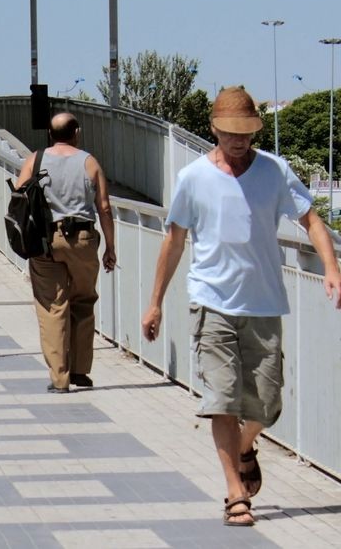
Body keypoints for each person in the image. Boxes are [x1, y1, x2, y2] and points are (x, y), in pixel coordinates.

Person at [142, 86, 340, 527]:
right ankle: (235, 495)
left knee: (267, 404)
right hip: (211, 302)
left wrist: (331, 268)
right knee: (222, 399)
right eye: (230, 132)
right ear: (213, 129)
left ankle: (247, 445)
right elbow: (174, 240)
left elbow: (310, 219)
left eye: (246, 132)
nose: (238, 140)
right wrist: (154, 303)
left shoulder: (275, 171)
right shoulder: (193, 177)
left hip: (265, 304)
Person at [13, 112, 116, 394]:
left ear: (49, 133)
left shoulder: (36, 159)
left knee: (52, 307)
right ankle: (81, 370)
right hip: (82, 239)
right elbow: (104, 208)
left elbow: (19, 196)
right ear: (77, 133)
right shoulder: (89, 162)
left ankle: (59, 378)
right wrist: (110, 246)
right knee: (83, 301)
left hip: (45, 241)